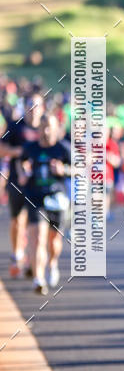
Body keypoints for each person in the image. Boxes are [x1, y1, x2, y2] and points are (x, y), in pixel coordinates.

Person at [18, 113, 70, 295]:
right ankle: (38, 279)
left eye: (50, 127)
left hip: (57, 198)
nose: (46, 131)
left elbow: (79, 169)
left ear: (57, 128)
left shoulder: (63, 149)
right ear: (38, 129)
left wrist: (64, 170)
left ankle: (52, 263)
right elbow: (21, 164)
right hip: (35, 197)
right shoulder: (29, 148)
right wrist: (23, 174)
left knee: (54, 240)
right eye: (42, 127)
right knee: (37, 237)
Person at [0, 94, 44, 277]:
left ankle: (31, 259)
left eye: (37, 106)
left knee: (35, 225)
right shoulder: (14, 126)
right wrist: (19, 151)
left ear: (42, 109)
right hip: (17, 182)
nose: (33, 110)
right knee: (17, 220)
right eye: (30, 106)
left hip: (39, 185)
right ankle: (17, 253)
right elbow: (1, 149)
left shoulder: (46, 128)